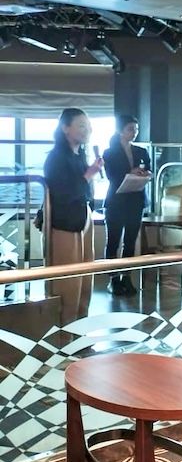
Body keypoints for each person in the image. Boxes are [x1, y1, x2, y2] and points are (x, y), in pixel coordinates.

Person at [44, 108, 103, 326]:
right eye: (82, 125)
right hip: (64, 225)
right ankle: (63, 335)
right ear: (65, 128)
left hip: (82, 219)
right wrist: (89, 174)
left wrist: (91, 174)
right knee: (68, 283)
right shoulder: (56, 158)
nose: (88, 130)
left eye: (89, 126)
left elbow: (84, 191)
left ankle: (80, 330)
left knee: (85, 278)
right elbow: (63, 194)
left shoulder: (80, 156)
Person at [102, 114, 151, 296]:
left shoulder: (141, 151)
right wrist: (129, 172)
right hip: (116, 201)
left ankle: (127, 277)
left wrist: (145, 174)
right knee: (113, 241)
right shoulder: (109, 152)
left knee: (130, 241)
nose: (134, 133)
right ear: (120, 130)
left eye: (136, 129)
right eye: (131, 129)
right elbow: (111, 176)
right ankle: (113, 279)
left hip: (136, 200)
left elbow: (148, 168)